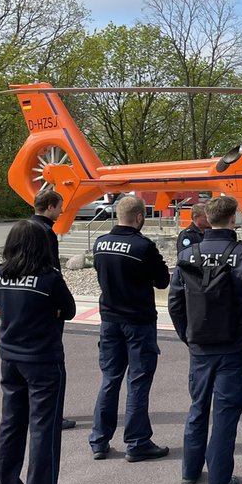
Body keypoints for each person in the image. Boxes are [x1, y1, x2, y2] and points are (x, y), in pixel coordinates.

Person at [168, 195, 242, 484]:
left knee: (198, 407)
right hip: (233, 343)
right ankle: (219, 479)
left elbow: (174, 301)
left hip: (200, 343)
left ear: (208, 218)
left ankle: (189, 470)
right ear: (233, 218)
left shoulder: (188, 254)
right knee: (225, 412)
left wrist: (187, 335)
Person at [0, 220, 76, 484]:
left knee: (11, 424)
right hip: (42, 358)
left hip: (10, 357)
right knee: (44, 427)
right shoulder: (48, 278)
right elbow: (69, 310)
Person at [88, 194, 171, 462]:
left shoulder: (100, 244)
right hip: (138, 320)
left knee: (110, 379)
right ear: (138, 218)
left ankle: (99, 440)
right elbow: (162, 281)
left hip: (109, 319)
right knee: (137, 381)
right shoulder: (142, 247)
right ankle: (137, 441)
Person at [31, 189, 76, 430]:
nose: (61, 211)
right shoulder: (46, 232)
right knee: (50, 365)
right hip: (47, 305)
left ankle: (33, 410)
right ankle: (52, 414)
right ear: (49, 207)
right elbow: (52, 269)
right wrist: (59, 304)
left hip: (29, 305)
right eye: (59, 206)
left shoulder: (25, 228)